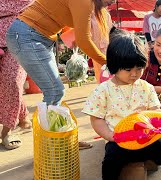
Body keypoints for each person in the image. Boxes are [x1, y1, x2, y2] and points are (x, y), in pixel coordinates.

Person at [5, 0, 114, 149]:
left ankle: (61, 138)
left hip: (40, 37)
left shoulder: (89, 5)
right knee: (55, 91)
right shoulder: (85, 2)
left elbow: (62, 17)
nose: (113, 2)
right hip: (27, 36)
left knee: (55, 92)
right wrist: (109, 62)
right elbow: (84, 41)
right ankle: (55, 143)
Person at [82, 31, 161, 180]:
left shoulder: (146, 87)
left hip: (146, 138)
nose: (134, 74)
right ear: (114, 66)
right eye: (128, 70)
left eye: (139, 69)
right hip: (119, 140)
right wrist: (110, 136)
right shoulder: (103, 90)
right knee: (110, 163)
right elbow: (96, 119)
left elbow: (155, 110)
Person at [0, 0, 33, 150]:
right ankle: (23, 117)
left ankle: (7, 130)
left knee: (12, 81)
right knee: (5, 84)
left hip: (20, 39)